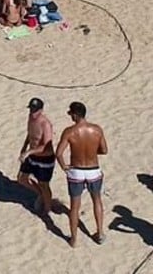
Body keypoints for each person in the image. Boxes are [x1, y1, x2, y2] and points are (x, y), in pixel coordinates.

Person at [55, 102, 108, 247]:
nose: (70, 116)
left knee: (75, 206)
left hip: (76, 171)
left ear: (76, 115)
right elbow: (104, 150)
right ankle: (100, 233)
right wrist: (91, 152)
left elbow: (59, 153)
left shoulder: (69, 131)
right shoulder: (96, 130)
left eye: (71, 113)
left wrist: (64, 167)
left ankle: (73, 239)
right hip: (93, 169)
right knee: (97, 200)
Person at [18, 97, 57, 216]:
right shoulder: (30, 118)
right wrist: (24, 147)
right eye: (31, 109)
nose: (32, 112)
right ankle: (40, 194)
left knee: (44, 185)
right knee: (21, 178)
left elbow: (47, 146)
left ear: (41, 110)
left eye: (35, 110)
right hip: (32, 154)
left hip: (44, 158)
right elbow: (30, 134)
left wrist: (29, 152)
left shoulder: (45, 124)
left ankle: (47, 208)